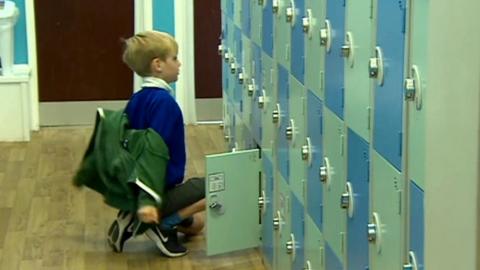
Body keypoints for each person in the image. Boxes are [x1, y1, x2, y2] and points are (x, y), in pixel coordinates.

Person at [73, 30, 205, 258]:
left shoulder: (137, 99)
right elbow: (151, 155)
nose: (180, 63)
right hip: (156, 189)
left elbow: (126, 147)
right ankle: (159, 224)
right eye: (174, 58)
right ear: (158, 65)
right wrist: (147, 202)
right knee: (221, 185)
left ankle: (133, 212)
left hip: (138, 186)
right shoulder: (165, 104)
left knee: (197, 226)